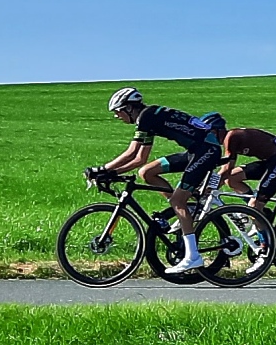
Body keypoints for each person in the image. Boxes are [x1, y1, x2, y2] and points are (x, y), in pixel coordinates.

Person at [87, 87, 221, 274]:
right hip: (196, 150)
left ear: (128, 108)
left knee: (177, 200)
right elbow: (140, 159)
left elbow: (132, 153)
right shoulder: (148, 117)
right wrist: (111, 171)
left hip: (206, 151)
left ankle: (193, 256)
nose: (117, 116)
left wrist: (104, 170)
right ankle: (186, 209)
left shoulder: (146, 117)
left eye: (117, 111)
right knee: (147, 172)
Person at [206, 114, 276, 213]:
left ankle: (260, 221)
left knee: (254, 207)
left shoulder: (231, 137)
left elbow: (226, 169)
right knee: (231, 178)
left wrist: (209, 187)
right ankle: (260, 214)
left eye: (209, 134)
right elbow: (227, 173)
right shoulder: (231, 137)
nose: (207, 138)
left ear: (217, 131)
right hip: (271, 161)